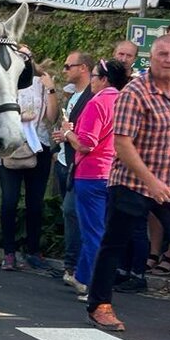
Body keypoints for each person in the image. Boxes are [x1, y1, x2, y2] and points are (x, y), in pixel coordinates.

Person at [86, 35, 170, 335]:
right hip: (131, 183)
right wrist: (151, 181)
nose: (169, 60)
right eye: (163, 54)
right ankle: (99, 305)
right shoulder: (134, 92)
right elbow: (122, 143)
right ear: (151, 57)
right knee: (114, 244)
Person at [56, 59, 131, 299]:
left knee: (92, 232)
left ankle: (90, 283)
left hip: (91, 173)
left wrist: (68, 132)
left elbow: (86, 144)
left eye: (95, 76)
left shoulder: (97, 103)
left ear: (104, 80)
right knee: (105, 231)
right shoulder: (125, 101)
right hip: (115, 172)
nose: (92, 81)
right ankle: (84, 278)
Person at [0, 46, 58, 271]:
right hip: (12, 145)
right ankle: (9, 252)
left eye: (27, 56)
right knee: (9, 201)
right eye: (19, 56)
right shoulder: (6, 81)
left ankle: (33, 250)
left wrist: (51, 90)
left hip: (38, 145)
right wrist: (19, 116)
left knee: (35, 203)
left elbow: (52, 117)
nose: (24, 60)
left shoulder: (42, 81)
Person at [51, 52, 94, 290]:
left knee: (74, 212)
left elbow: (85, 135)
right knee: (69, 214)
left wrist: (68, 135)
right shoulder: (73, 95)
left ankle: (75, 266)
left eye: (69, 66)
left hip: (81, 164)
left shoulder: (92, 97)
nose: (65, 70)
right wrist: (62, 137)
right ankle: (72, 265)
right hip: (65, 161)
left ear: (83, 68)